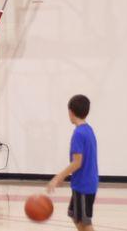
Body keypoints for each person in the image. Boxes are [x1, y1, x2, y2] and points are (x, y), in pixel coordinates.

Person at [47, 94, 98, 231]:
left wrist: (58, 177)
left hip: (84, 185)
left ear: (70, 111)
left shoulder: (79, 134)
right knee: (75, 215)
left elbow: (77, 162)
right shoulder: (88, 129)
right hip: (86, 182)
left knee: (85, 222)